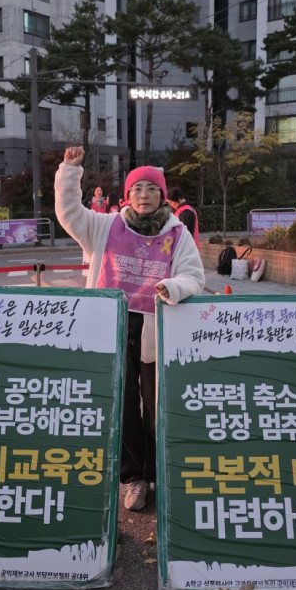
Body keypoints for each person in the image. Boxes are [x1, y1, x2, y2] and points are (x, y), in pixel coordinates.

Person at [56, 147, 205, 511]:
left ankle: (157, 473)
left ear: (162, 195)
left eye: (151, 189)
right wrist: (70, 170)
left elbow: (194, 276)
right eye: (137, 189)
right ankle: (134, 477)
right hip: (113, 326)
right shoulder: (107, 226)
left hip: (156, 328)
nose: (143, 195)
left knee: (156, 406)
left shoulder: (177, 233)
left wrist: (174, 287)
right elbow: (70, 213)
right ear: (128, 194)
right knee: (121, 405)